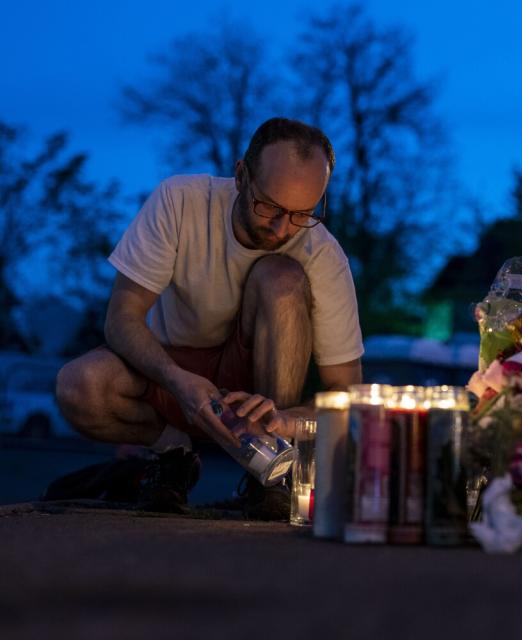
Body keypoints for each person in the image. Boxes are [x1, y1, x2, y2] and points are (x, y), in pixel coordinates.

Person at [53, 117, 364, 515]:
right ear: (240, 175)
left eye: (303, 213)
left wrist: (285, 421)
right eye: (269, 206)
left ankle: (270, 472)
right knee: (79, 386)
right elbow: (121, 318)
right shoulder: (181, 201)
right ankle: (173, 455)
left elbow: (348, 396)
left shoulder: (321, 253)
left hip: (256, 391)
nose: (283, 228)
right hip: (169, 369)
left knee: (281, 275)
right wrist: (177, 381)